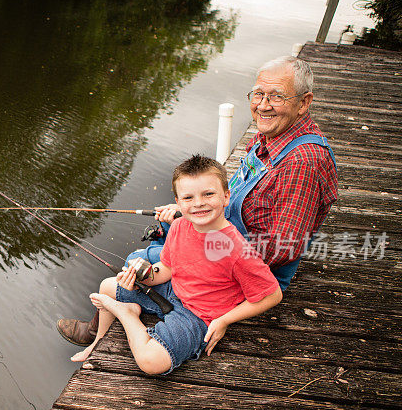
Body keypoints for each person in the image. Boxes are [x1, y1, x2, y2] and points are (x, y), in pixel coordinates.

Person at [58, 55, 337, 347]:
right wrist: (191, 214)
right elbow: (239, 194)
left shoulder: (302, 162)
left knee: (137, 260)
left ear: (304, 102)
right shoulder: (270, 135)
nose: (263, 105)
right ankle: (123, 316)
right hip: (227, 237)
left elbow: (284, 247)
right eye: (258, 94)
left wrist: (203, 252)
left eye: (277, 96)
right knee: (164, 240)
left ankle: (108, 329)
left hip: (246, 267)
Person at [70, 155, 282, 373]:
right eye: (188, 198)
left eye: (208, 194)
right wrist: (143, 276)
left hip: (200, 315)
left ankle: (127, 313)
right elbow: (167, 269)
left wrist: (224, 321)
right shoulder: (180, 226)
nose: (199, 203)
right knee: (107, 286)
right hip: (175, 291)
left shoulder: (236, 250)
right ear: (178, 202)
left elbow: (272, 295)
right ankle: (96, 345)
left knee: (150, 363)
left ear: (226, 197)